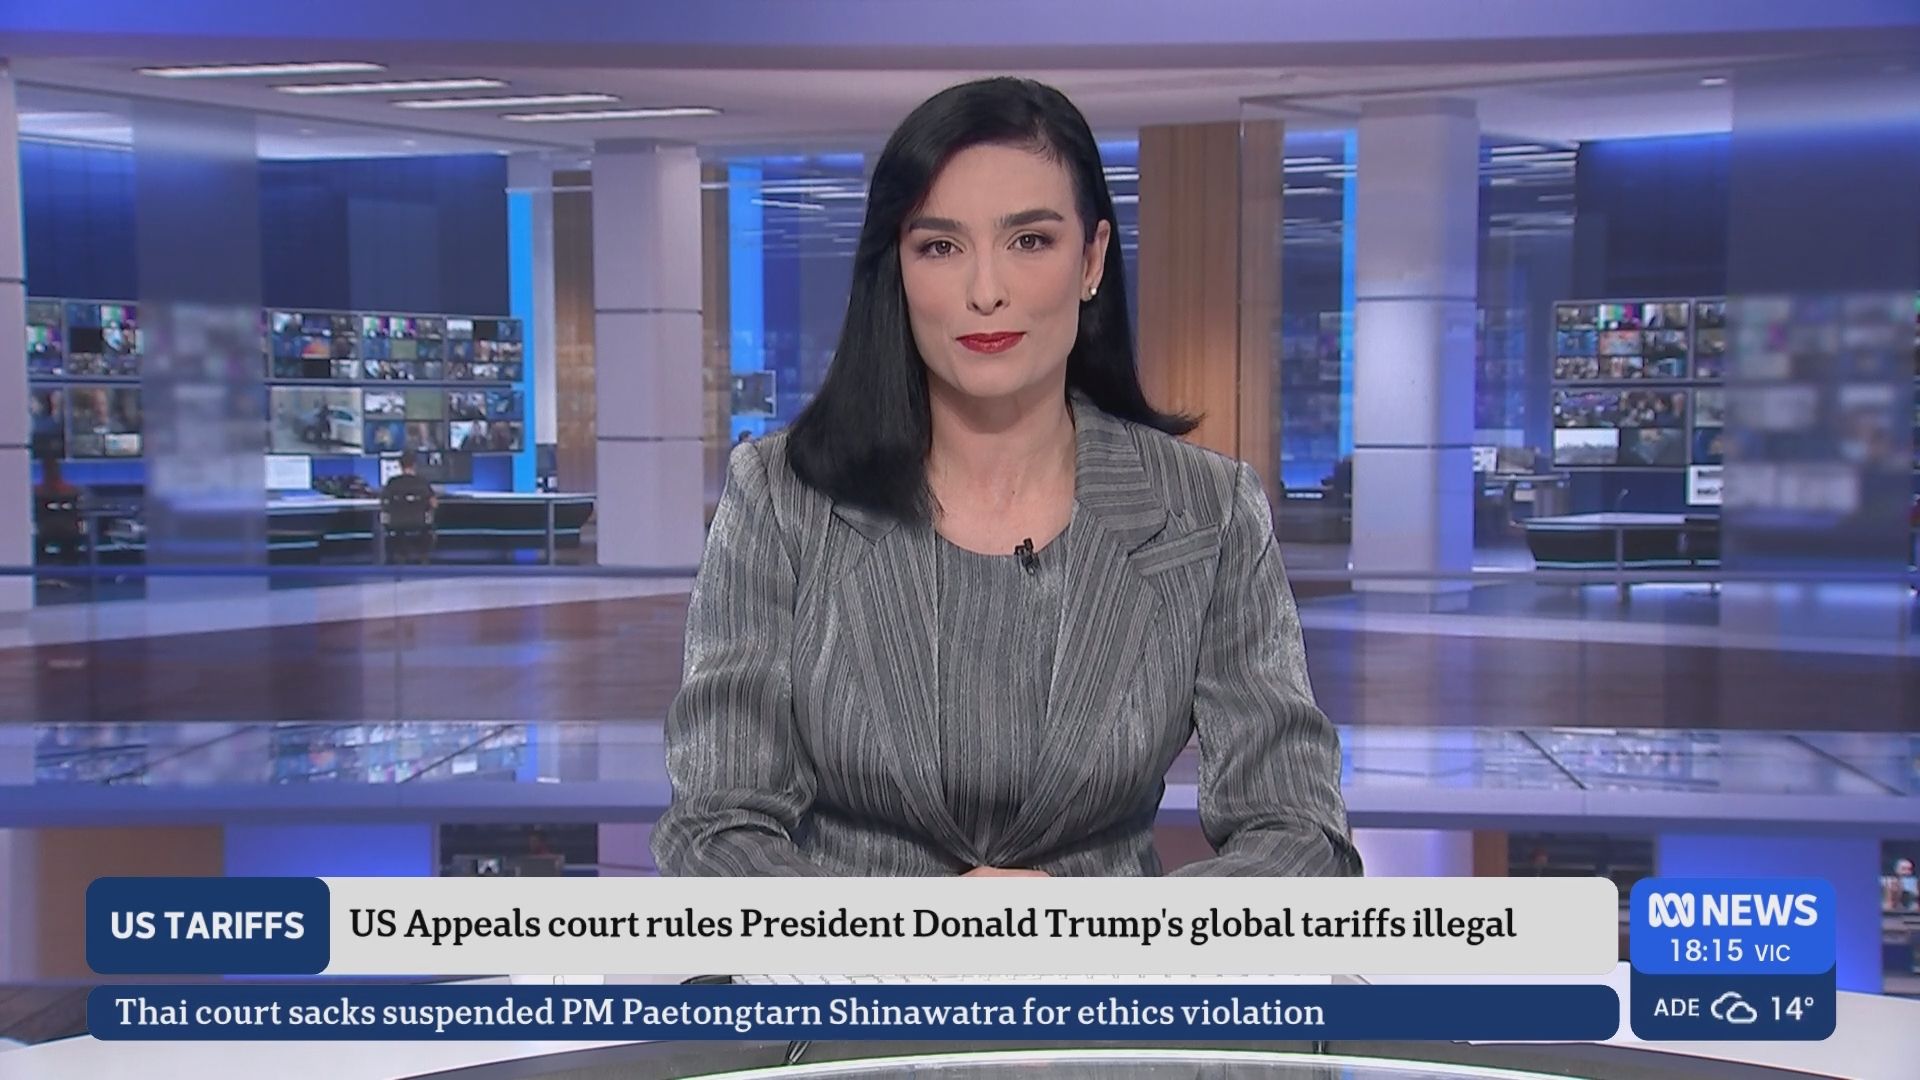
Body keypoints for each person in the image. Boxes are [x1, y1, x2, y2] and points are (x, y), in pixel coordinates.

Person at [652, 77, 1358, 879]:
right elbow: (713, 830)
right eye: (940, 247)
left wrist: (1086, 927)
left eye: (1029, 240)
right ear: (896, 269)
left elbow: (1301, 837)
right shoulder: (782, 498)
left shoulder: (1207, 511)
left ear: (1091, 260)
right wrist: (918, 931)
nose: (985, 291)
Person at [381, 449, 437, 565]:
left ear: (399, 465)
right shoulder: (422, 482)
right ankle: (423, 556)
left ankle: (400, 555)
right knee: (429, 527)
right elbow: (434, 504)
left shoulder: (392, 482)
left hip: (396, 522)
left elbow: (384, 502)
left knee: (397, 528)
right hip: (419, 521)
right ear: (415, 464)